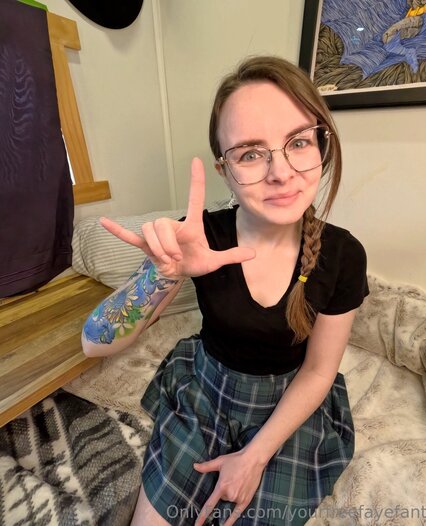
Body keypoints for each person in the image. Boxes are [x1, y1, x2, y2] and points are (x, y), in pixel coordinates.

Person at [81, 55, 369, 526]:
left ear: (321, 143)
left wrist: (254, 457)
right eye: (251, 153)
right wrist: (162, 275)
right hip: (205, 391)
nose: (280, 173)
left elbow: (319, 371)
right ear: (224, 169)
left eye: (298, 142)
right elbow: (94, 344)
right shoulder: (200, 238)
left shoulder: (343, 255)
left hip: (289, 407)